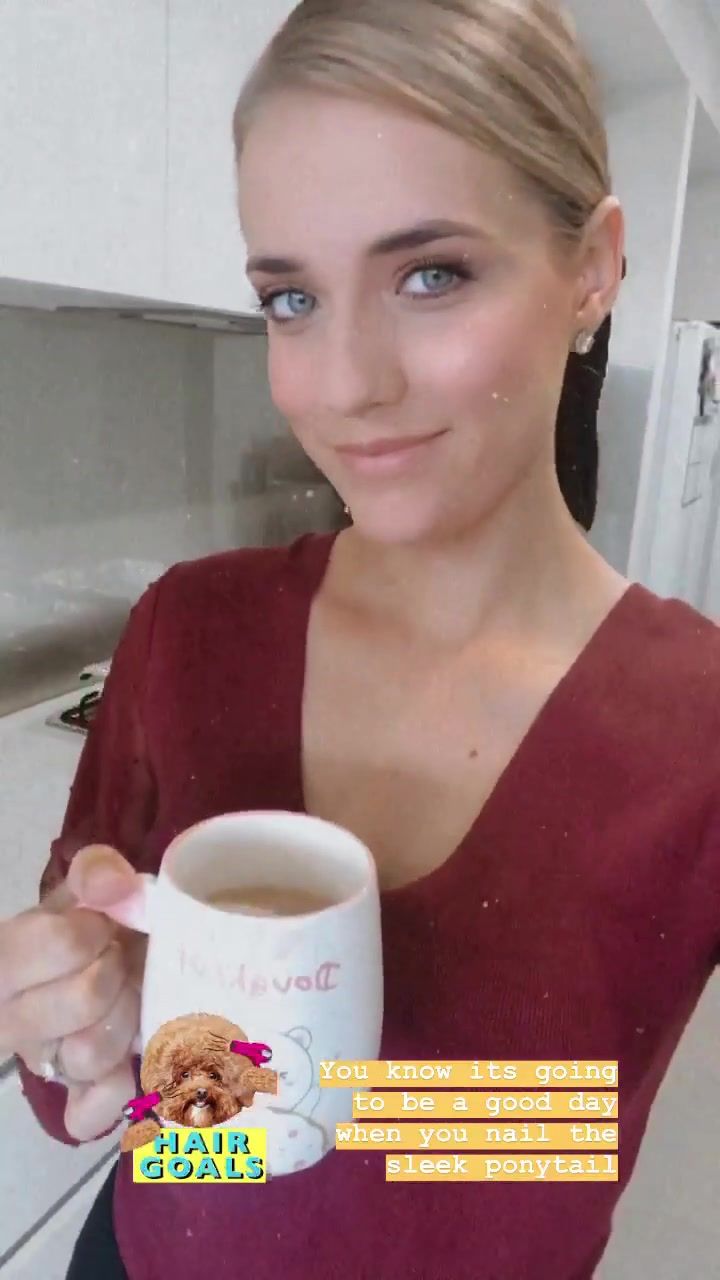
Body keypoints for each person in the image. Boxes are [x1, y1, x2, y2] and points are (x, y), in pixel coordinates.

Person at [2, 1, 720, 1276]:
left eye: (431, 274)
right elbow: (126, 1118)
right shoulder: (190, 632)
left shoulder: (696, 726)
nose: (344, 384)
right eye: (290, 298)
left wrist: (299, 1085)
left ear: (594, 269)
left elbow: (554, 1165)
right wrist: (85, 1025)